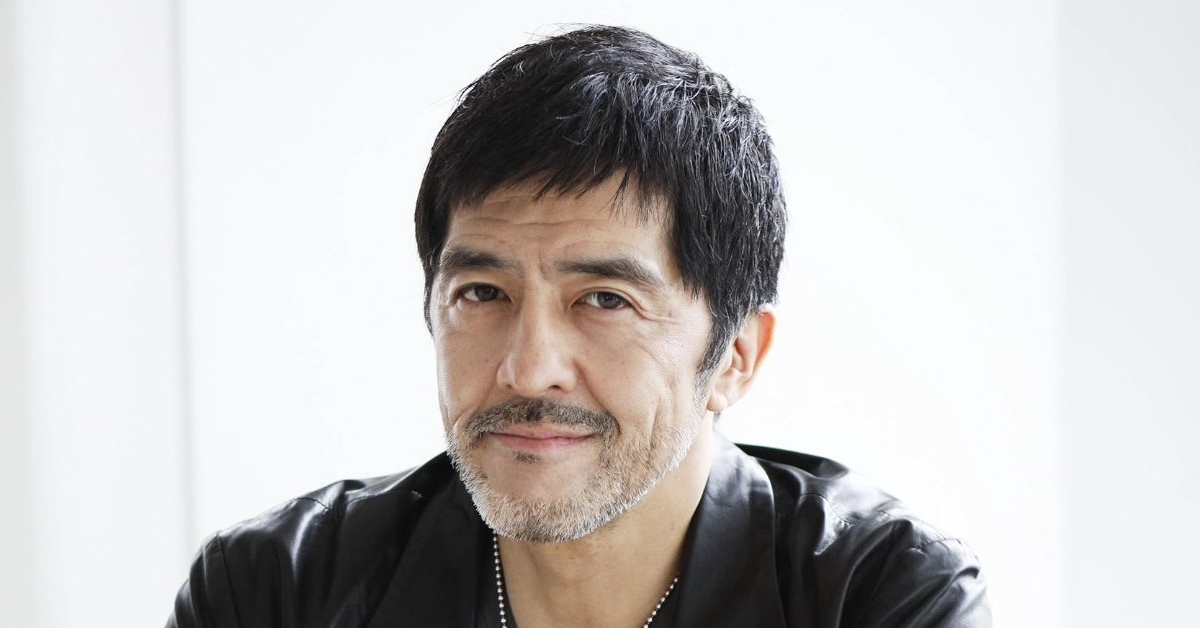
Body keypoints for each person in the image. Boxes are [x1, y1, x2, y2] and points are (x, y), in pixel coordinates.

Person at [167, 25, 990, 628]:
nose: (529, 369)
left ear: (737, 356)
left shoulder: (880, 599)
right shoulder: (276, 592)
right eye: (482, 293)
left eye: (604, 300)